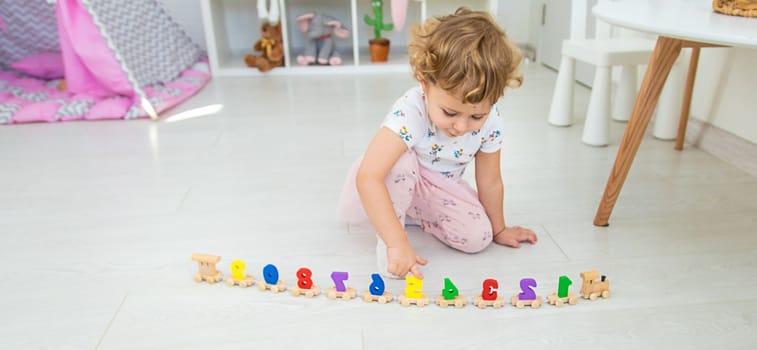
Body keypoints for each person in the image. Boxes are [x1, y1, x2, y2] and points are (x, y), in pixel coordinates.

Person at [337, 7, 537, 280]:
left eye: (476, 115)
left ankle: (416, 214)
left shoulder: (491, 122)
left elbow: (490, 182)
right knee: (400, 163)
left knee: (479, 238)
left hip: (441, 186)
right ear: (424, 82)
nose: (461, 127)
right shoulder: (411, 110)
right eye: (450, 113)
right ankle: (390, 229)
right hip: (399, 177)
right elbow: (369, 176)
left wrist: (499, 229)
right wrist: (397, 243)